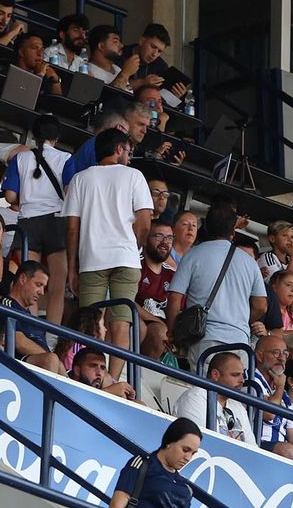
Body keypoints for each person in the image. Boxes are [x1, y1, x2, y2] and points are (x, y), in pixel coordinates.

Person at [63, 129, 152, 362]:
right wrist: (138, 246)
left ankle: (86, 370)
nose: (129, 156)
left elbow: (72, 229)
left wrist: (72, 268)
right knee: (121, 322)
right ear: (119, 149)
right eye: (128, 151)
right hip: (126, 259)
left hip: (91, 260)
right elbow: (144, 221)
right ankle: (112, 377)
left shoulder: (80, 179)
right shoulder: (134, 176)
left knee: (90, 323)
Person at [167, 201, 266, 369]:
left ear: (205, 226)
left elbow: (175, 297)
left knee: (204, 392)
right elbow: (261, 306)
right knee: (235, 393)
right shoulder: (249, 262)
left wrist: (172, 333)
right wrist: (239, 322)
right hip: (240, 342)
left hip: (205, 340)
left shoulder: (193, 255)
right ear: (233, 230)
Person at [172, 351, 255, 444]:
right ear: (215, 375)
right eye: (235, 375)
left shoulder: (238, 407)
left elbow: (252, 448)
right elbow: (200, 443)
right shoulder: (195, 398)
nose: (242, 380)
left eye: (242, 375)